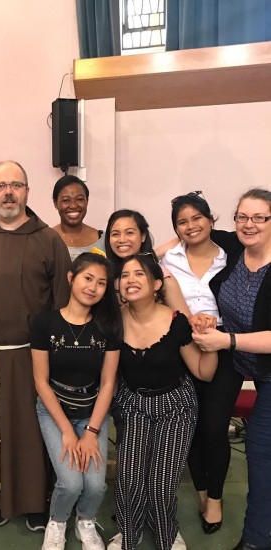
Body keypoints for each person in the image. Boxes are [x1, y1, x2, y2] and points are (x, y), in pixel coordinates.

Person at [0, 160, 71, 531]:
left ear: (27, 191)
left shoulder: (49, 240)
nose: (7, 192)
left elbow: (63, 301)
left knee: (32, 431)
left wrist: (56, 350)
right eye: (0, 186)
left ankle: (36, 501)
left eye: (15, 185)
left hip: (31, 355)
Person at [107, 253, 217, 550]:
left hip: (175, 405)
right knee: (129, 479)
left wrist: (210, 340)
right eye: (125, 275)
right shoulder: (114, 322)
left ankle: (166, 531)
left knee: (160, 486)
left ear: (157, 283)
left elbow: (202, 372)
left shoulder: (176, 321)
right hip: (133, 405)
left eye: (139, 274)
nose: (131, 280)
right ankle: (130, 532)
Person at [191, 189, 271, 550]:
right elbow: (188, 231)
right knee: (214, 426)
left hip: (261, 365)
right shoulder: (236, 248)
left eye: (259, 218)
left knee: (258, 450)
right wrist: (143, 252)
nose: (249, 224)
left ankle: (255, 539)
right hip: (237, 360)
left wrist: (228, 341)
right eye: (242, 217)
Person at [160, 192, 243, 535]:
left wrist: (214, 329)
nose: (191, 226)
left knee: (214, 426)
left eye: (197, 218)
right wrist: (195, 323)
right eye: (182, 221)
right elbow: (139, 258)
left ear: (211, 220)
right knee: (190, 428)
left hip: (225, 347)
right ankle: (201, 491)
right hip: (184, 347)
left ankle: (217, 497)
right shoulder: (168, 259)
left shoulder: (233, 254)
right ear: (175, 228)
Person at [31, 253, 121, 550]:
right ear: (71, 278)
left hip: (92, 413)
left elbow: (108, 383)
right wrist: (68, 432)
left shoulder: (108, 327)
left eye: (101, 283)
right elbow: (41, 383)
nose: (93, 287)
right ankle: (56, 522)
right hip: (54, 410)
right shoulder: (45, 323)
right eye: (87, 278)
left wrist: (92, 432)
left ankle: (85, 520)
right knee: (71, 482)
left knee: (95, 484)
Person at [105, 209, 189, 315]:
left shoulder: (160, 274)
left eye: (129, 233)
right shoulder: (105, 273)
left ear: (143, 236)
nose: (122, 239)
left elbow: (185, 319)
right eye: (115, 234)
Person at [52, 175, 105, 261]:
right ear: (55, 203)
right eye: (66, 200)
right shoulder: (45, 239)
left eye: (79, 199)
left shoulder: (103, 240)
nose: (73, 205)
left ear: (87, 201)